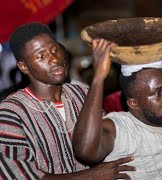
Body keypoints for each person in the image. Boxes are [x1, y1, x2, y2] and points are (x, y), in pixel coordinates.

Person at [72, 13, 162, 179]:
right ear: (133, 103)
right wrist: (98, 77)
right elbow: (85, 149)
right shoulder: (122, 129)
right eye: (157, 93)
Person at [0, 22, 135, 179]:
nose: (54, 59)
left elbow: (107, 142)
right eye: (41, 56)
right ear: (24, 67)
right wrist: (92, 175)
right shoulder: (10, 113)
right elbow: (18, 176)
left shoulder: (82, 94)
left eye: (54, 50)